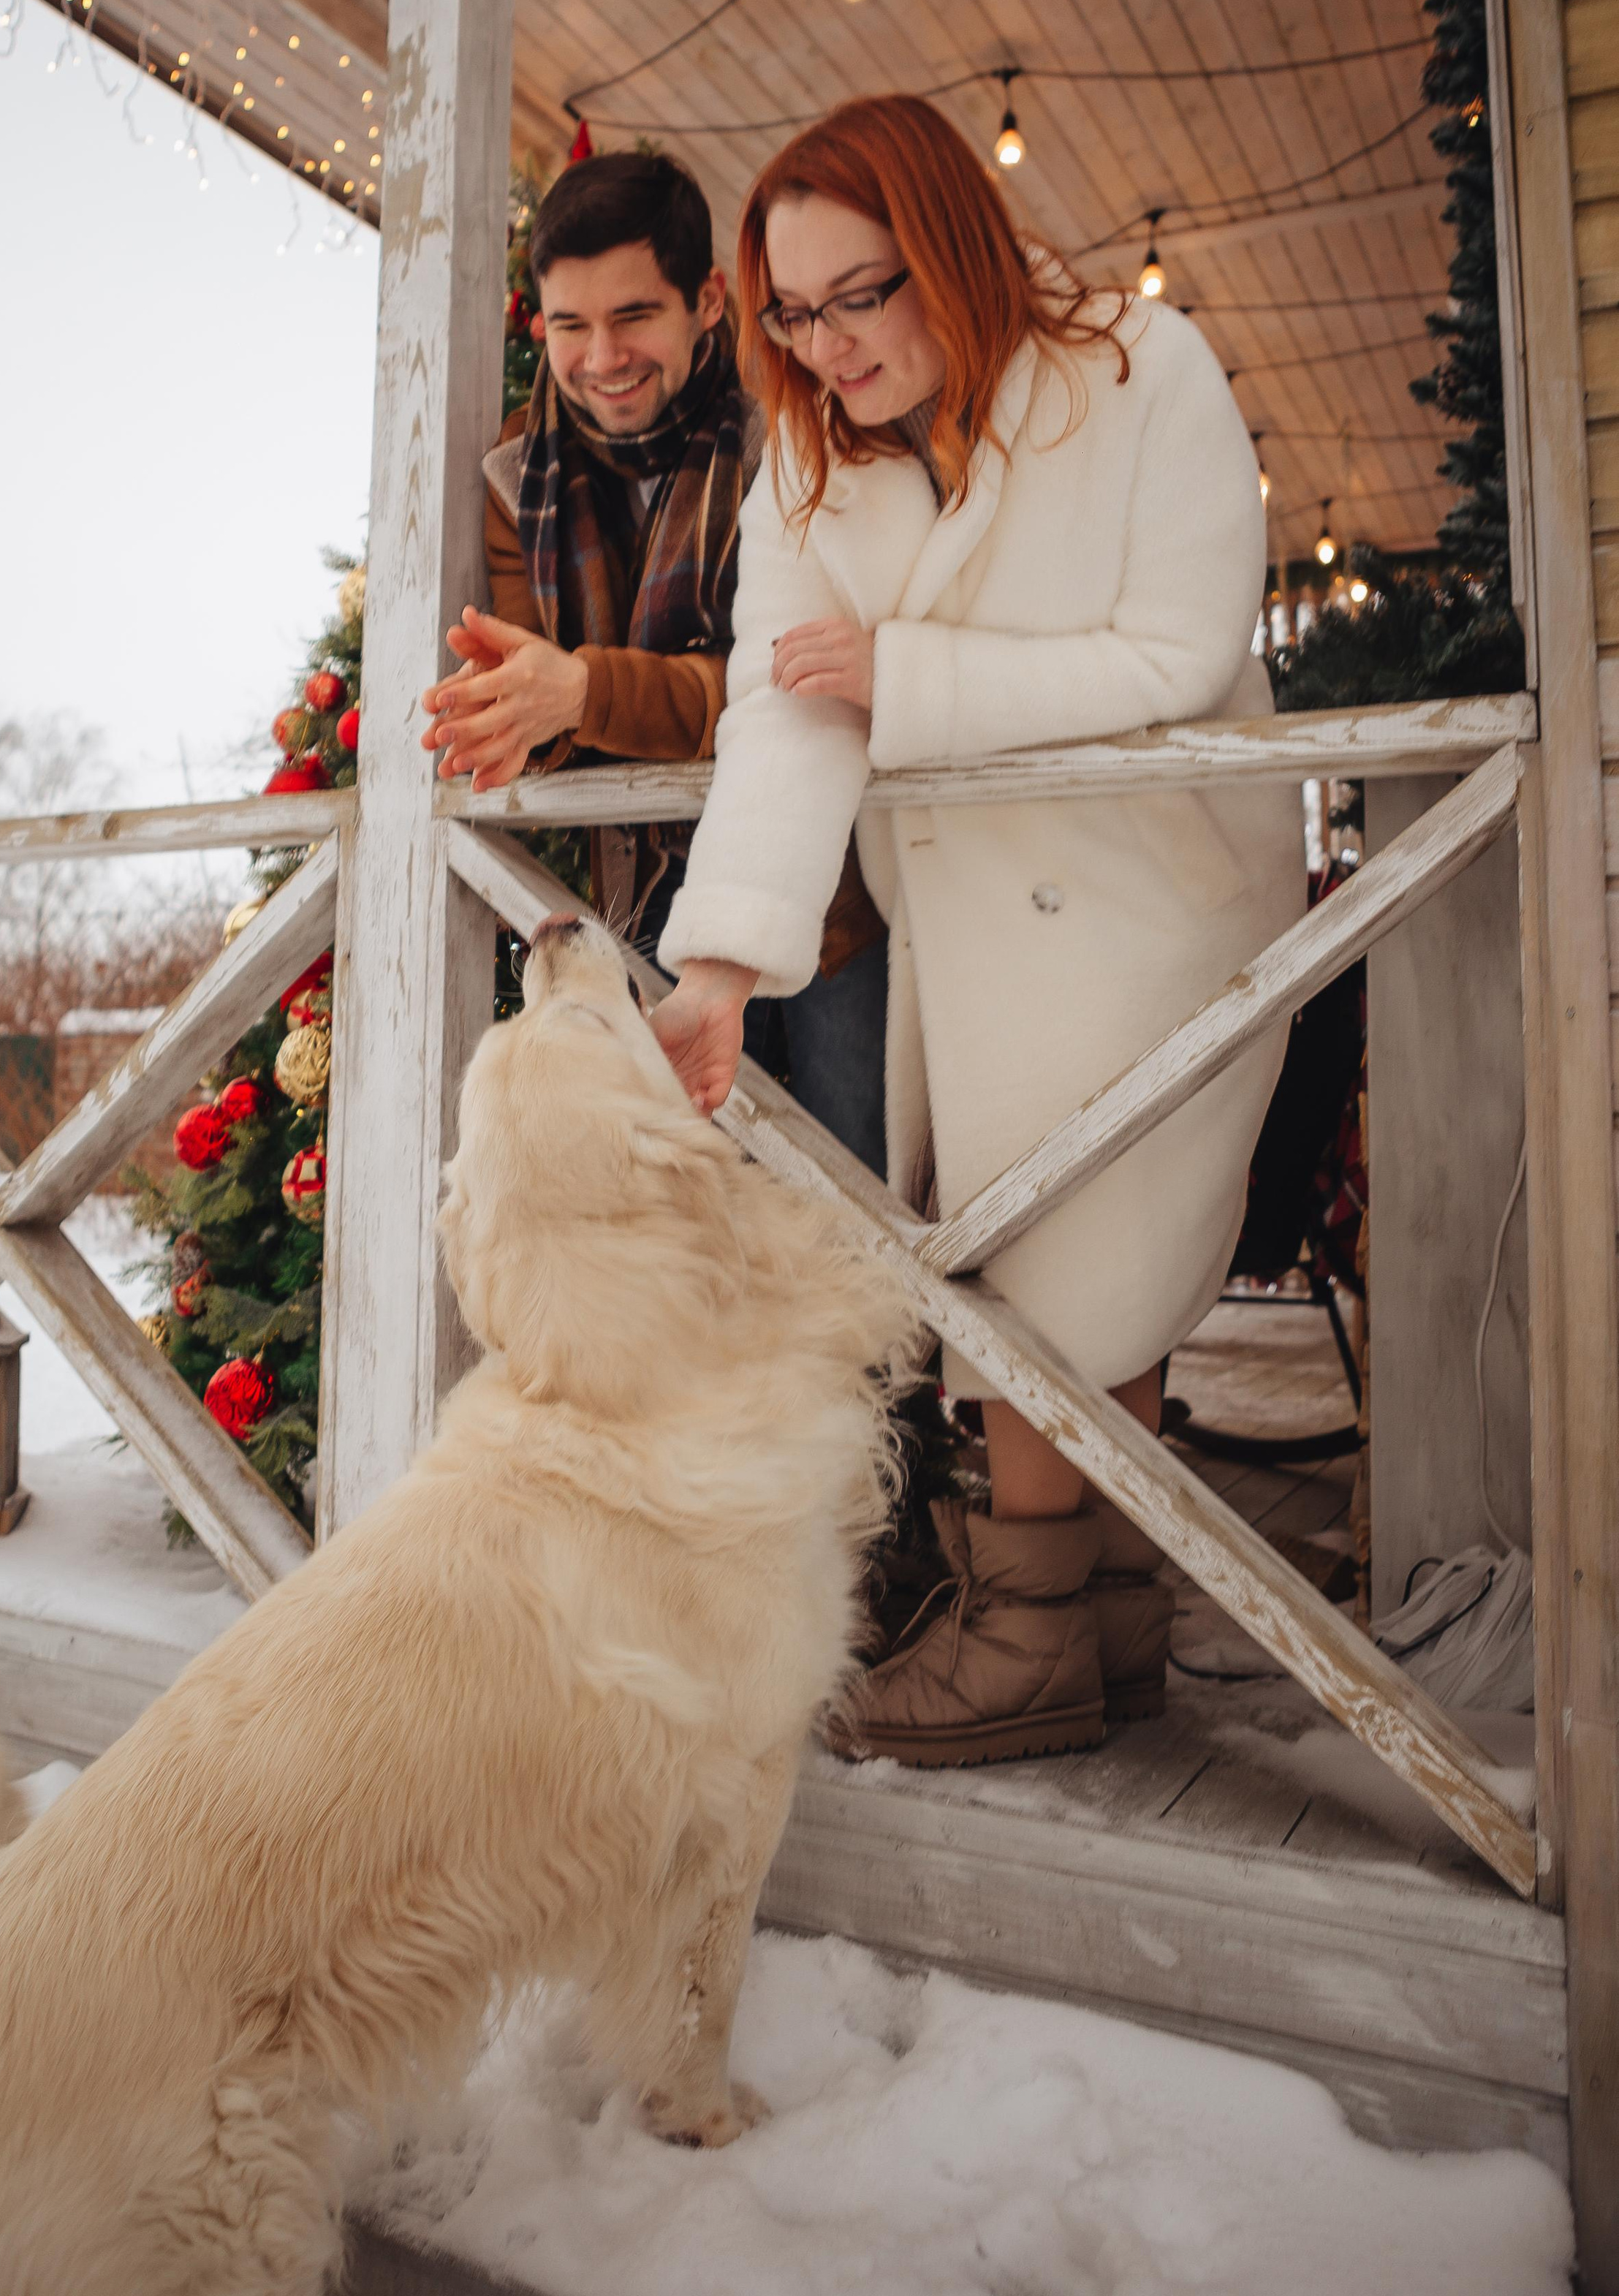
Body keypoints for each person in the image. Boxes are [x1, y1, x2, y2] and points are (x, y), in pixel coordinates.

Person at [649, 96, 1303, 1765]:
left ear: (944, 240)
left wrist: (909, 681)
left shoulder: (1141, 371)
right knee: (1051, 1245)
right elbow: (785, 712)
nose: (823, 345)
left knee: (1073, 1250)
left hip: (1163, 883)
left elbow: (1174, 648)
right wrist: (718, 962)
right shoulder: (806, 454)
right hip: (976, 903)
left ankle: (1026, 1641)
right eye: (789, 312)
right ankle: (1107, 1622)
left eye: (856, 293)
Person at [421, 145, 888, 1175]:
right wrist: (525, 714)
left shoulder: (794, 441)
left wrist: (583, 691)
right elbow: (531, 705)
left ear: (708, 301)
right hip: (634, 912)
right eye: (570, 326)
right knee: (688, 1206)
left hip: (823, 902)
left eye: (634, 316)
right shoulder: (518, 474)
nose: (600, 357)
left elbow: (785, 684)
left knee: (854, 1199)